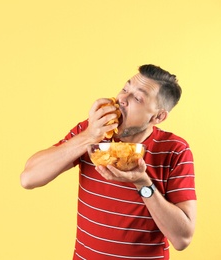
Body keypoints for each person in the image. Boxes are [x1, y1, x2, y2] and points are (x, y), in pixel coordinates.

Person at [20, 64, 197, 259]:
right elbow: (28, 178)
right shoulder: (92, 132)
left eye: (137, 98)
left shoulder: (175, 150)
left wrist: (142, 182)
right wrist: (89, 136)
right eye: (125, 89)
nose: (122, 99)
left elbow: (182, 239)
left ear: (158, 116)